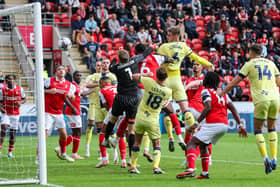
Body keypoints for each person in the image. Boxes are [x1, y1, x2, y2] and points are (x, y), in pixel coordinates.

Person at [218, 44, 280, 174]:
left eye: (248, 52)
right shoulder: (271, 63)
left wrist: (223, 92)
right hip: (275, 98)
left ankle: (266, 159)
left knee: (258, 130)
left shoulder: (250, 64)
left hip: (261, 99)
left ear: (252, 52)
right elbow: (279, 82)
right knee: (272, 128)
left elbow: (236, 80)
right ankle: (274, 158)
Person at [176, 72, 247, 179]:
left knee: (191, 143)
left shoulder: (206, 91)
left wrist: (196, 123)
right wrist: (240, 124)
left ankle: (190, 169)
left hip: (213, 123)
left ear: (206, 81)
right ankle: (205, 173)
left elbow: (208, 107)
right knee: (204, 145)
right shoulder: (223, 93)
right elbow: (232, 108)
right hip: (224, 125)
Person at [102, 48, 153, 161]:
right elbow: (144, 54)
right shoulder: (134, 61)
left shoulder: (116, 68)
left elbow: (111, 65)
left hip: (121, 97)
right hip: (134, 98)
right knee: (131, 129)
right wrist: (152, 47)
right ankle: (130, 158)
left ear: (120, 59)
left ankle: (106, 139)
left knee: (113, 119)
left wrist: (115, 57)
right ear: (129, 57)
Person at [156, 26, 213, 129]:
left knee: (164, 111)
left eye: (169, 35)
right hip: (177, 81)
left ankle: (172, 138)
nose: (167, 37)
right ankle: (193, 136)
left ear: (175, 35)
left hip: (165, 80)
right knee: (186, 111)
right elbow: (197, 58)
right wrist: (208, 64)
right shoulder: (183, 46)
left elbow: (157, 62)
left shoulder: (163, 47)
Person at [129, 67, 172, 174]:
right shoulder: (168, 92)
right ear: (166, 77)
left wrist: (147, 75)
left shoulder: (148, 82)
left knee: (137, 142)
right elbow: (168, 107)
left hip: (140, 117)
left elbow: (133, 76)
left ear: (156, 75)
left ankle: (133, 167)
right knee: (156, 143)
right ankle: (156, 167)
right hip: (153, 120)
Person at [84, 60, 117, 158]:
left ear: (109, 65)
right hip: (97, 105)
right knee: (98, 129)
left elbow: (114, 88)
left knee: (111, 129)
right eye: (103, 63)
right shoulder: (95, 76)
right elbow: (88, 85)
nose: (104, 65)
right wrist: (99, 85)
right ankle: (102, 153)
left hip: (109, 105)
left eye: (107, 63)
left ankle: (115, 153)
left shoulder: (112, 76)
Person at [45, 65, 76, 162]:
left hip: (59, 112)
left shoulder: (69, 85)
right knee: (44, 134)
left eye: (63, 69)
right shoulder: (49, 81)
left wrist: (71, 96)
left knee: (63, 134)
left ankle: (63, 153)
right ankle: (38, 157)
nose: (61, 71)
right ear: (56, 72)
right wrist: (49, 91)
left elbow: (72, 97)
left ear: (65, 72)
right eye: (59, 69)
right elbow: (39, 91)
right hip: (47, 111)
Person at [96, 76, 127, 168]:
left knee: (102, 131)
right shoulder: (118, 88)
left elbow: (105, 105)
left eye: (100, 83)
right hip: (125, 112)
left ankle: (104, 159)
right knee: (120, 134)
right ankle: (124, 161)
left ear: (103, 83)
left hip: (114, 111)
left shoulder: (102, 91)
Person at [0, 75, 26, 158]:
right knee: (4, 128)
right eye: (8, 79)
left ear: (15, 80)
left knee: (12, 134)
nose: (10, 81)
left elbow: (24, 99)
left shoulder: (20, 89)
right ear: (6, 81)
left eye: (11, 79)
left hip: (15, 114)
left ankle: (10, 152)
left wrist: (20, 102)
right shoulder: (2, 90)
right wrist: (1, 108)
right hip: (6, 113)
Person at [64, 71, 84, 160]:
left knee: (76, 132)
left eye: (80, 75)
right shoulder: (72, 86)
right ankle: (71, 152)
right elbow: (67, 97)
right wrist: (73, 108)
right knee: (78, 132)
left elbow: (78, 96)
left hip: (75, 112)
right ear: (73, 77)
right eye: (77, 75)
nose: (79, 77)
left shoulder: (76, 87)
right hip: (73, 112)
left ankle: (68, 151)